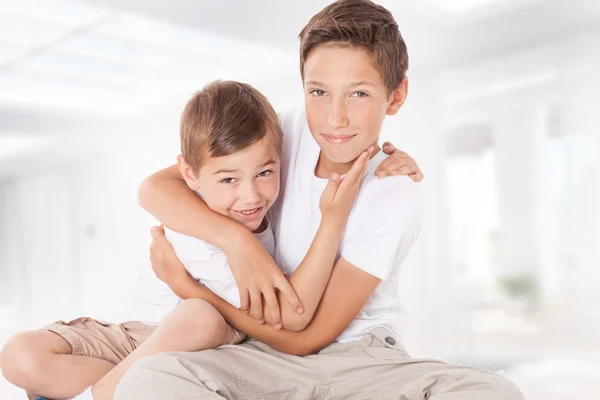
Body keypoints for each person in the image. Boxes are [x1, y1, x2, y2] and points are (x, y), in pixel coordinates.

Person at [113, 1, 524, 399]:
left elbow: (306, 338)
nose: (335, 118)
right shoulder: (286, 132)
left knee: (494, 391)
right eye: (319, 92)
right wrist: (236, 243)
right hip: (263, 357)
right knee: (148, 381)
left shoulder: (394, 192)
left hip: (365, 362)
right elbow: (156, 188)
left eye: (359, 94)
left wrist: (188, 288)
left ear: (395, 97)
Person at [0, 82, 419, 399]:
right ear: (189, 174)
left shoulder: (261, 199)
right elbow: (292, 314)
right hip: (134, 335)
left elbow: (291, 318)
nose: (250, 195)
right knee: (18, 354)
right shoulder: (197, 228)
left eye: (265, 173)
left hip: (204, 342)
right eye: (228, 180)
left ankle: (111, 392)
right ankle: (115, 390)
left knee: (198, 314)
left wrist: (381, 158)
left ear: (282, 160)